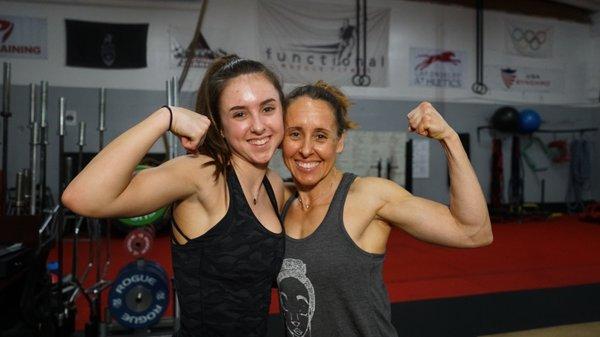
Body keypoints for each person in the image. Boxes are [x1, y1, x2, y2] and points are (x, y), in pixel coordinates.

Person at [62, 55, 287, 337]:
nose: (258, 125)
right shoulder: (202, 175)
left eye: (268, 108)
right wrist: (165, 117)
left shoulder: (273, 186)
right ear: (218, 124)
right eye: (239, 114)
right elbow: (81, 197)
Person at [276, 81, 493, 337]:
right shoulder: (278, 199)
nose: (306, 149)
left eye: (321, 136)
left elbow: (473, 232)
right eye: (295, 134)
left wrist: (449, 138)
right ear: (280, 138)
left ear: (340, 142)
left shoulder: (368, 196)